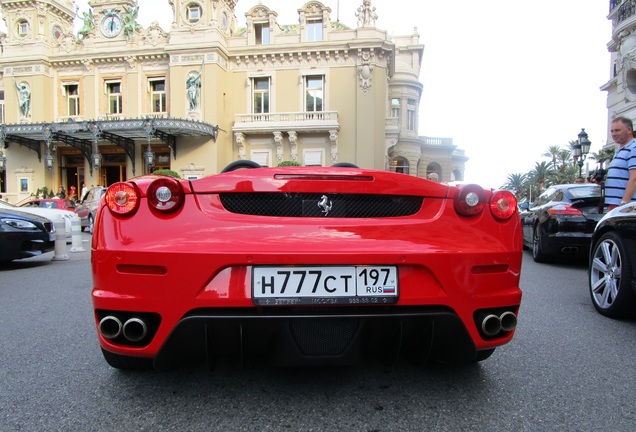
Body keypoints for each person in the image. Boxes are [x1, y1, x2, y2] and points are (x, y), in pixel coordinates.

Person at [605, 116, 636, 210]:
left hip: (626, 207)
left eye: (617, 130)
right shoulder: (621, 150)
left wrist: (624, 204)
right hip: (616, 205)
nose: (614, 134)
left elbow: (634, 178)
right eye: (612, 131)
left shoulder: (634, 148)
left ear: (629, 129)